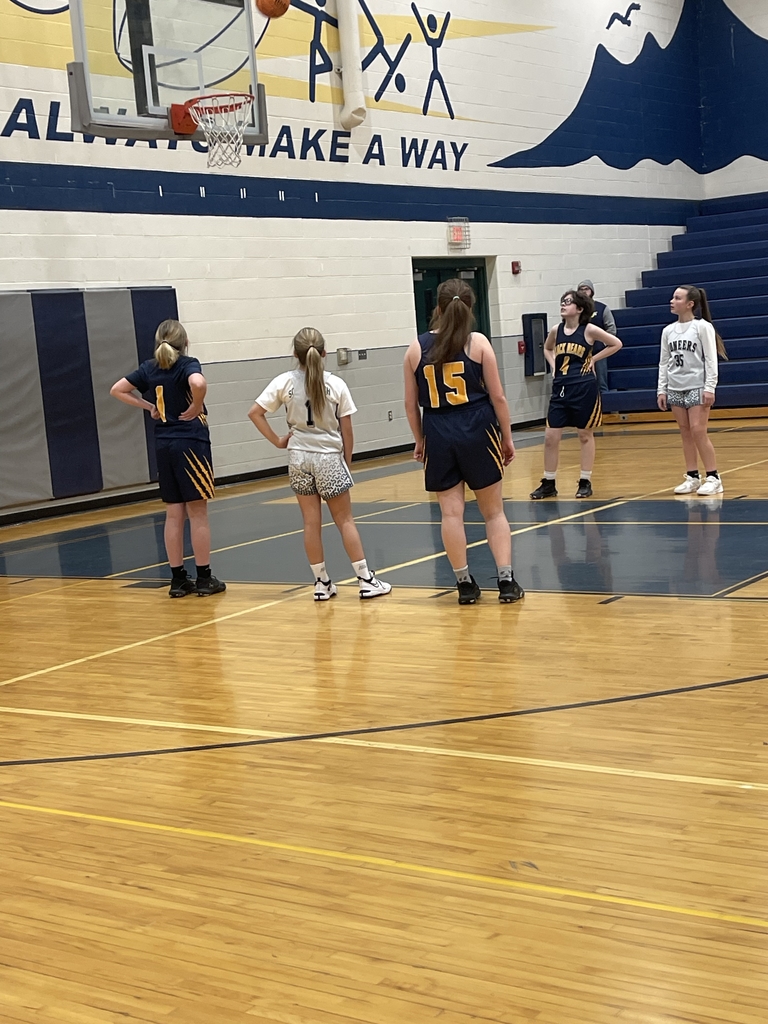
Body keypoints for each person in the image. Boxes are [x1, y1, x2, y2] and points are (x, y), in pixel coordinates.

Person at [248, 327, 391, 601]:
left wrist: (278, 441)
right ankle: (365, 580)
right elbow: (347, 431)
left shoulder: (285, 382)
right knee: (345, 520)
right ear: (325, 353)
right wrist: (346, 462)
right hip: (328, 458)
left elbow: (255, 412)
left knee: (311, 523)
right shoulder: (336, 385)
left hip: (298, 458)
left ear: (295, 354)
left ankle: (321, 583)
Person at [404, 278, 523, 605]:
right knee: (493, 512)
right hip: (477, 426)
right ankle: (506, 582)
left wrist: (419, 440)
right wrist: (507, 437)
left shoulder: (416, 348)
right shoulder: (477, 343)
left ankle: (464, 585)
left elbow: (410, 405)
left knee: (451, 514)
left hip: (437, 429)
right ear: (469, 308)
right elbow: (498, 397)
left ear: (438, 308)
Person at [110, 319, 226, 598]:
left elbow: (117, 389)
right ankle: (204, 578)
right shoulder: (187, 364)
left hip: (163, 444)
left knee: (173, 513)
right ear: (185, 342)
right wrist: (196, 404)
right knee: (197, 512)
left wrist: (148, 405)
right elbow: (198, 382)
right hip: (191, 443)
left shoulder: (149, 367)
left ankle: (177, 579)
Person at [530, 289, 622, 500]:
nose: (563, 305)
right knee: (551, 436)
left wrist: (594, 359)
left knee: (584, 434)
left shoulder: (589, 329)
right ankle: (549, 482)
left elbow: (616, 344)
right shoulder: (556, 330)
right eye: (562, 301)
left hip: (584, 387)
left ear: (580, 308)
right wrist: (553, 365)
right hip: (561, 388)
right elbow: (547, 349)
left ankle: (585, 480)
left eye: (568, 302)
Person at [657, 285, 728, 496]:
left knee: (698, 430)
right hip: (675, 386)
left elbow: (711, 359)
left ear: (690, 304)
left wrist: (710, 387)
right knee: (685, 432)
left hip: (697, 385)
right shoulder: (667, 331)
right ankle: (692, 477)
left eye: (677, 298)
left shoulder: (702, 327)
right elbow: (664, 362)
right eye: (673, 297)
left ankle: (714, 477)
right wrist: (662, 389)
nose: (672, 301)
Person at [577, 279, 617, 396]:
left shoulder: (602, 308)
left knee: (601, 383)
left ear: (592, 291)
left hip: (599, 352)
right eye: (581, 289)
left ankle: (605, 404)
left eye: (586, 289)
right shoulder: (575, 311)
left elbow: (611, 329)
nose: (584, 292)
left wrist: (603, 344)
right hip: (581, 351)